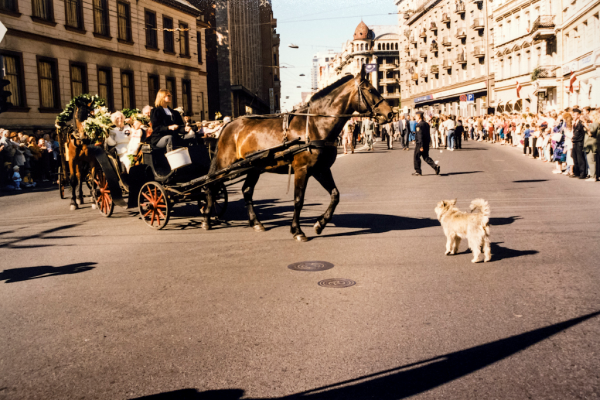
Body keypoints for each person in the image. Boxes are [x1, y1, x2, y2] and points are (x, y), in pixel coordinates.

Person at [413, 111, 440, 176]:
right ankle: (435, 166)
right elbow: (427, 134)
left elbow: (420, 136)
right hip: (426, 143)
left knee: (416, 157)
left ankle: (418, 171)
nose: (415, 118)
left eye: (416, 116)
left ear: (419, 117)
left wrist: (421, 146)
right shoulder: (426, 124)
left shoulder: (419, 125)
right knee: (425, 157)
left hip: (420, 144)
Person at [571, 108, 587, 179]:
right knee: (574, 157)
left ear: (578, 115)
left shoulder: (581, 123)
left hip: (579, 142)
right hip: (575, 142)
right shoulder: (575, 123)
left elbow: (582, 134)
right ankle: (576, 172)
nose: (573, 116)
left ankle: (582, 173)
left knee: (580, 158)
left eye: (574, 115)